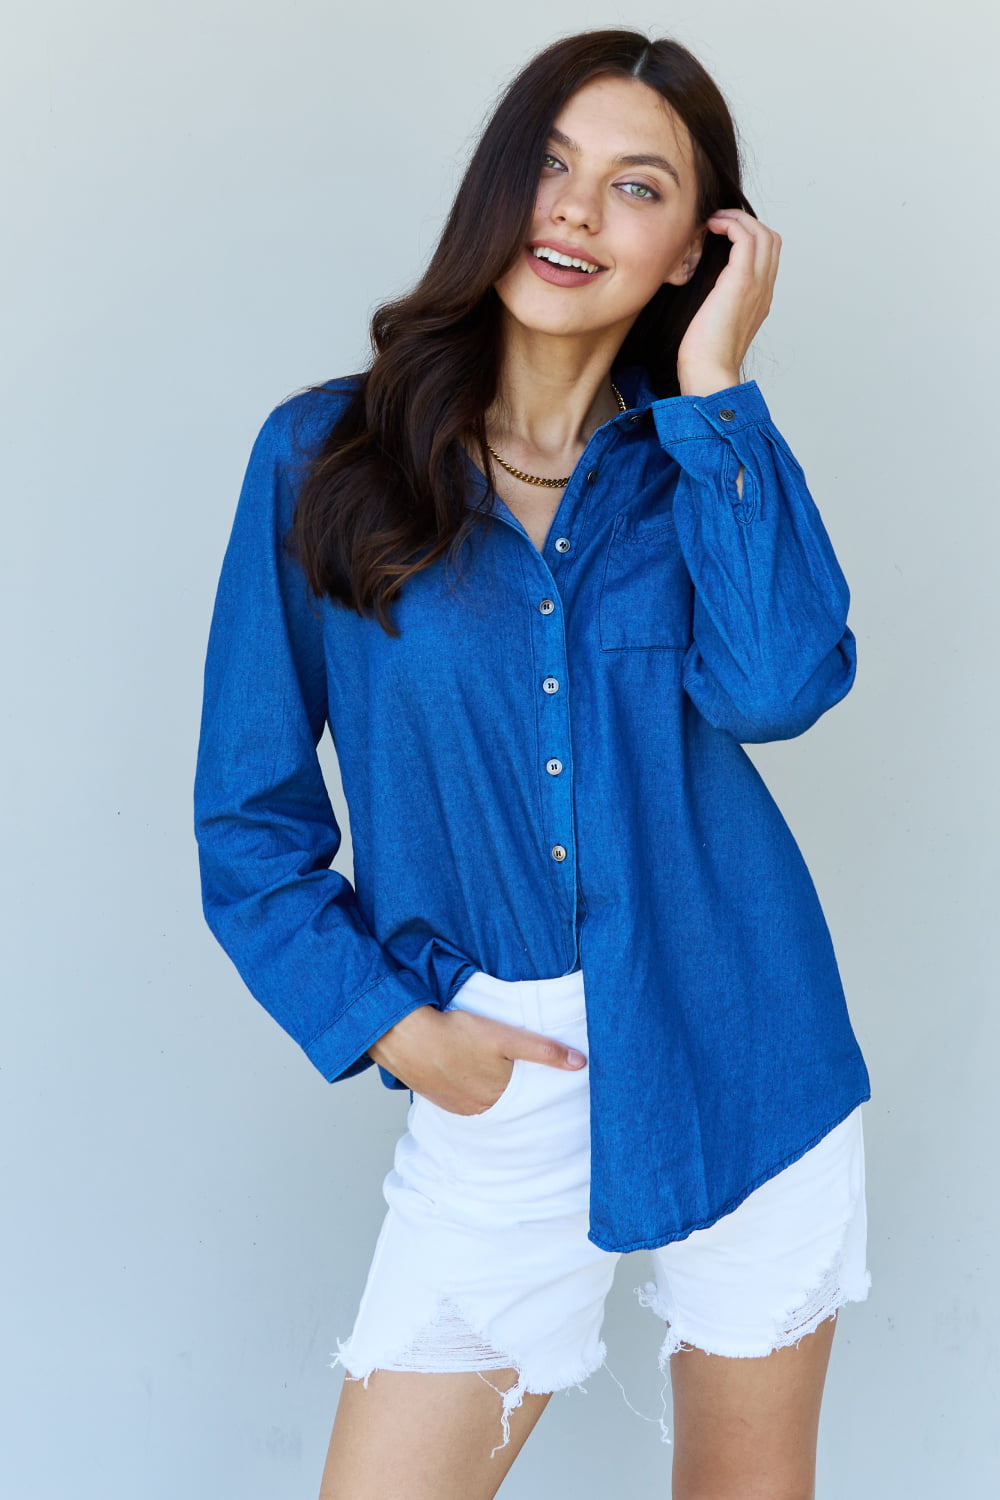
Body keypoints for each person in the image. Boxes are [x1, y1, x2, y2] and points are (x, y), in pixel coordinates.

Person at [193, 27, 873, 1500]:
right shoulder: (322, 458)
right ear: (502, 188)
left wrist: (716, 386)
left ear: (696, 247)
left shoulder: (702, 462)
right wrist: (395, 1029)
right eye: (551, 168)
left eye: (636, 189)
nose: (574, 210)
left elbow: (775, 690)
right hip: (494, 1061)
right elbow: (248, 824)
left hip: (745, 1040)